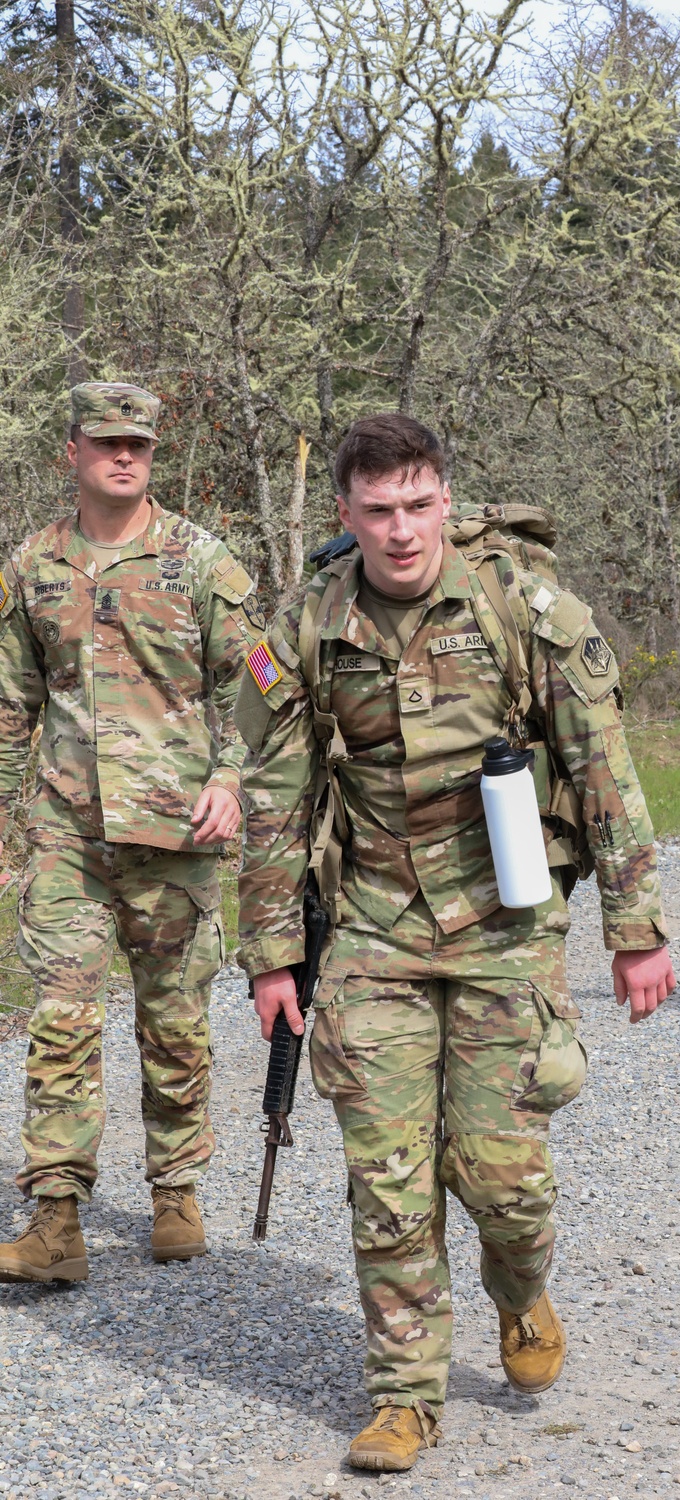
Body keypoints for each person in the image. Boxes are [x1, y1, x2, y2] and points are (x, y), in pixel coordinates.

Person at [236, 413, 674, 1474]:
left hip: (506, 920)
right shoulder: (306, 624)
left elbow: (601, 766)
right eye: (377, 510)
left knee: (501, 1180)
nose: (399, 530)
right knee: (387, 1178)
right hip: (376, 923)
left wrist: (635, 929)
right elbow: (274, 797)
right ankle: (403, 1395)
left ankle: (519, 1292)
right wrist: (271, 953)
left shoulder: (524, 609)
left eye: (418, 504)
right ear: (345, 514)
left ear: (446, 500)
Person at [0, 381, 263, 1282]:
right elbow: (9, 704)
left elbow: (259, 690)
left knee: (174, 1018)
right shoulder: (32, 565)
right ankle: (57, 1217)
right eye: (106, 441)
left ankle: (176, 1190)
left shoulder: (201, 562)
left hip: (176, 832)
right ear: (70, 451)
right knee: (63, 1017)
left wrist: (232, 777)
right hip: (67, 831)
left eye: (139, 445)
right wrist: (4, 828)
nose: (123, 455)